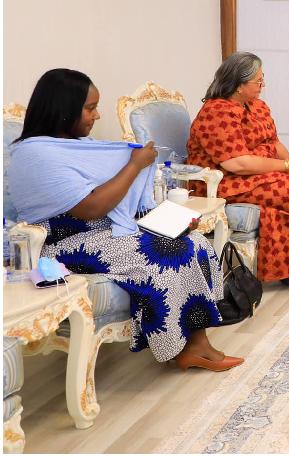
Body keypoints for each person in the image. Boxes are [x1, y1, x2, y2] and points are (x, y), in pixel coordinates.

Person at [8, 69, 242, 372]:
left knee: (193, 239)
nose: (97, 115)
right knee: (166, 251)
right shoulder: (36, 155)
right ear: (64, 110)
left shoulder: (77, 147)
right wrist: (134, 166)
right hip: (60, 243)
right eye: (90, 108)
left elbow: (111, 204)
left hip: (102, 232)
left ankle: (196, 343)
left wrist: (169, 222)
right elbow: (92, 207)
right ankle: (180, 347)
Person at [187, 52, 289, 284]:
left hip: (256, 175)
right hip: (225, 182)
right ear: (239, 85)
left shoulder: (257, 106)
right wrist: (285, 166)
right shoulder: (216, 112)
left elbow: (273, 142)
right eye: (258, 81)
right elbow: (237, 163)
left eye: (262, 79)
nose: (262, 85)